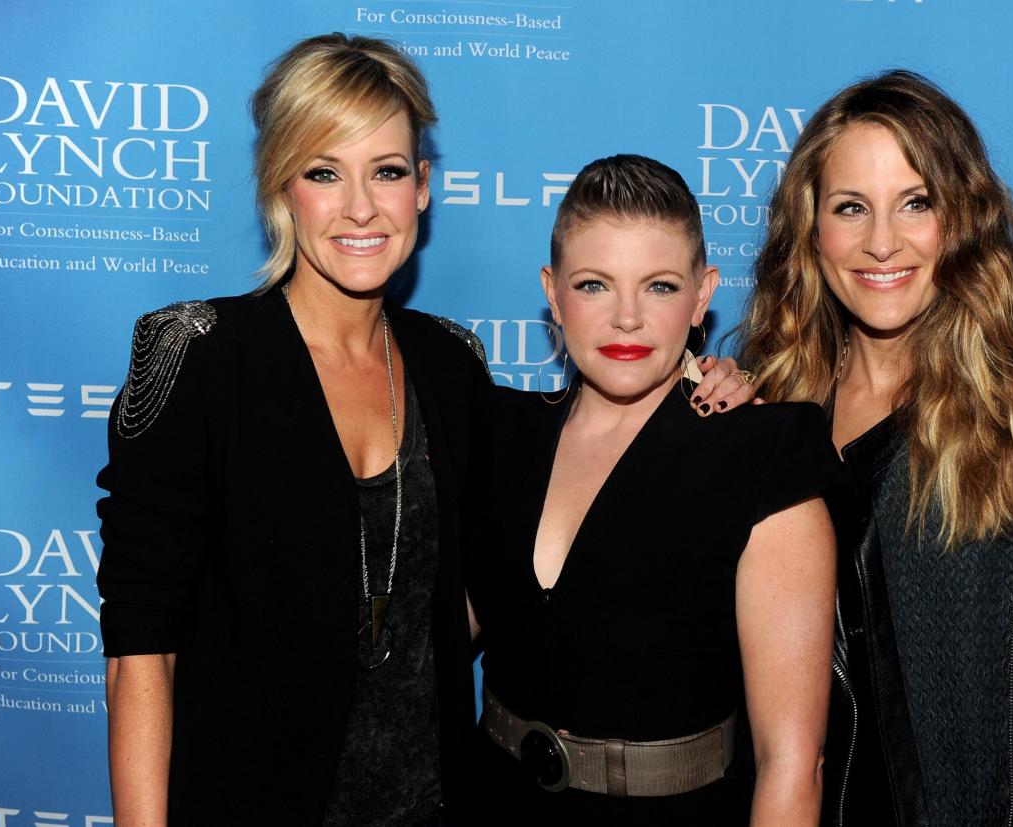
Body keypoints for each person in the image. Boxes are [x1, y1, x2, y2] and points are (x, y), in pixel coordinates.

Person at [96, 35, 753, 826]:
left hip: (436, 805)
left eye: (388, 171)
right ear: (281, 186)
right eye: (323, 172)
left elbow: (529, 532)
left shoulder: (449, 365)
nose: (361, 207)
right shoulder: (197, 356)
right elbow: (141, 655)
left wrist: (699, 373)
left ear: (424, 187)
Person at [739, 70, 1013, 826]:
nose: (882, 242)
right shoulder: (767, 419)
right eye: (850, 208)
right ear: (812, 230)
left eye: (916, 203)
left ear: (962, 218)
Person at [465, 154, 843, 826]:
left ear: (703, 295)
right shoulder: (499, 433)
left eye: (661, 287)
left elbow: (792, 761)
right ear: (552, 293)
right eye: (594, 285)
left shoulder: (762, 451)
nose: (628, 319)